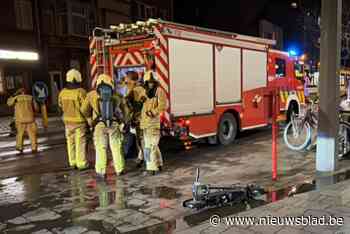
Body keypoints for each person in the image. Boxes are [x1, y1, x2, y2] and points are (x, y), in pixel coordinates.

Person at [81, 74, 130, 180]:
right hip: (114, 124)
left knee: (100, 148)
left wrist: (90, 121)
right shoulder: (117, 95)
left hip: (99, 125)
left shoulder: (91, 95)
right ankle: (120, 169)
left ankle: (101, 172)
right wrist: (125, 122)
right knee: (116, 147)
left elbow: (84, 109)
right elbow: (126, 110)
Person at [58, 69, 89, 170]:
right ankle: (81, 164)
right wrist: (89, 120)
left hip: (67, 122)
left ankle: (72, 162)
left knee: (70, 143)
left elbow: (60, 106)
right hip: (79, 122)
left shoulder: (62, 92)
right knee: (80, 143)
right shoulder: (81, 92)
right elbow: (85, 107)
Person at [140, 74, 167, 175]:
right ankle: (159, 164)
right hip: (145, 124)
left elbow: (163, 105)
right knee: (153, 146)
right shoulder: (144, 92)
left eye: (152, 82)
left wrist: (153, 112)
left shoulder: (159, 91)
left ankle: (151, 168)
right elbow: (142, 108)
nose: (150, 84)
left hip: (153, 124)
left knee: (149, 147)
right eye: (148, 82)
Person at [124, 71, 147, 167]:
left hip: (141, 120)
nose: (126, 84)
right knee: (140, 141)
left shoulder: (138, 90)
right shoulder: (135, 89)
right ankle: (142, 158)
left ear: (133, 81)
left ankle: (148, 161)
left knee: (143, 141)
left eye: (127, 82)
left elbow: (139, 106)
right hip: (137, 120)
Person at [7, 88, 38, 154]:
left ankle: (20, 148)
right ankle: (34, 148)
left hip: (20, 119)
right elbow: (36, 107)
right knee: (32, 134)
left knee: (20, 134)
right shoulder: (30, 97)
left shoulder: (16, 98)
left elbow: (9, 103)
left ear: (18, 92)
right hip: (30, 118)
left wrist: (13, 95)